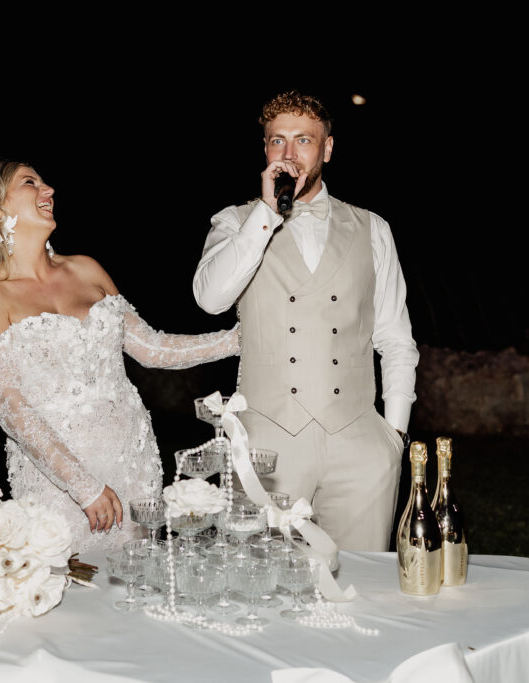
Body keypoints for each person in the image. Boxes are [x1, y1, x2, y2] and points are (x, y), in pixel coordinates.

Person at [0, 160, 239, 554]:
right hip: (59, 481)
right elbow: (12, 408)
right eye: (30, 183)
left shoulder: (86, 269)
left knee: (135, 584)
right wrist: (82, 486)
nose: (48, 189)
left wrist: (238, 340)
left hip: (132, 460)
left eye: (45, 181)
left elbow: (152, 348)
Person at [192, 90, 419, 552]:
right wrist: (266, 215)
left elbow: (396, 339)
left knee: (363, 595)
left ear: (327, 149)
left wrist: (392, 436)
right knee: (263, 593)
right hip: (267, 446)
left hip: (359, 447)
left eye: (303, 141)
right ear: (265, 150)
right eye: (278, 141)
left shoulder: (372, 228)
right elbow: (210, 298)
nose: (290, 155)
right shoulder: (235, 222)